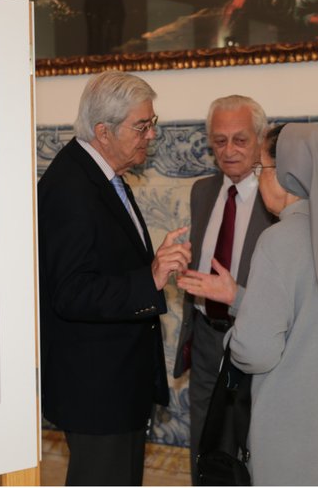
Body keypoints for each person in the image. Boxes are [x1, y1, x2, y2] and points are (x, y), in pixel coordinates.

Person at [178, 123, 318, 485]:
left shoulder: (278, 240)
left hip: (295, 434)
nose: (261, 178)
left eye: (262, 168)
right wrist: (240, 298)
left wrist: (233, 339)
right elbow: (316, 314)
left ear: (286, 174)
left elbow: (255, 352)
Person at [38, 70, 191, 486]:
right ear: (103, 131)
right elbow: (71, 292)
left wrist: (152, 266)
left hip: (116, 383)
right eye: (141, 126)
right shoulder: (71, 188)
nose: (150, 135)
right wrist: (151, 278)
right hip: (95, 390)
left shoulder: (101, 176)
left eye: (152, 123)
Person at [172, 94, 277, 484]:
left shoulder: (277, 199)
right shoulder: (202, 191)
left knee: (252, 440)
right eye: (219, 141)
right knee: (204, 441)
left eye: (240, 140)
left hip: (254, 337)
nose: (229, 151)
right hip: (204, 338)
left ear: (260, 138)